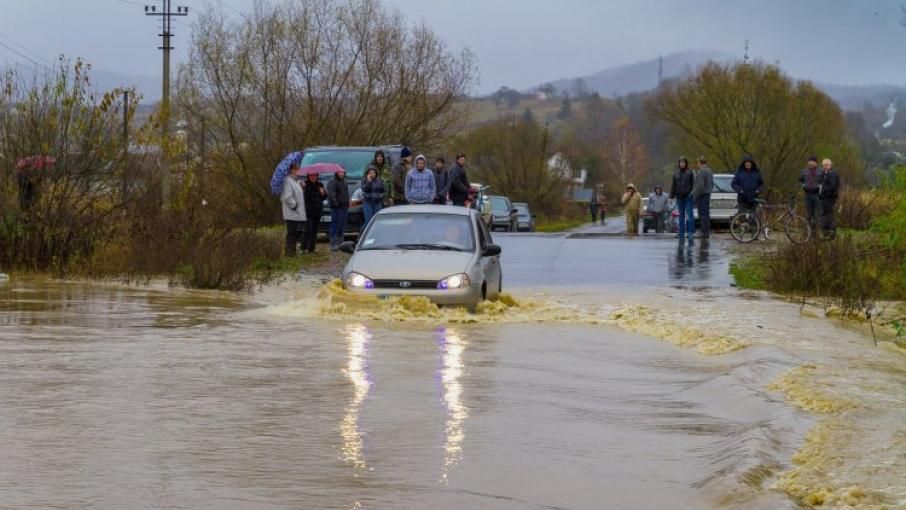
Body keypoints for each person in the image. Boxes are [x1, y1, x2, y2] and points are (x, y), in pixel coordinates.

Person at [280, 162, 307, 256]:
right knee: (291, 234)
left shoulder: (295, 181)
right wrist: (294, 205)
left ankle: (292, 253)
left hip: (297, 213)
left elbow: (298, 194)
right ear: (292, 170)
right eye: (296, 169)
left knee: (295, 234)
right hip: (291, 213)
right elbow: (287, 196)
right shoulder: (287, 181)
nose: (298, 171)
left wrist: (302, 187)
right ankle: (289, 253)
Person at [669, 157, 695, 238]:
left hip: (688, 196)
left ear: (686, 163)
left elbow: (694, 185)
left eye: (683, 162)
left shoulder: (690, 173)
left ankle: (690, 232)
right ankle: (681, 232)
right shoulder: (676, 174)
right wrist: (671, 196)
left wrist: (692, 193)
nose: (682, 163)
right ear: (679, 163)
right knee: (680, 215)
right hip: (679, 197)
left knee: (689, 214)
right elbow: (673, 186)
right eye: (680, 162)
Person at [301, 170, 326, 254]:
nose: (313, 177)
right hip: (308, 211)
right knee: (308, 229)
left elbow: (324, 197)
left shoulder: (320, 185)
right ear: (308, 176)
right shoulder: (305, 184)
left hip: (317, 211)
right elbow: (302, 196)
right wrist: (303, 188)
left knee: (315, 230)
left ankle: (312, 248)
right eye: (311, 175)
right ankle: (304, 248)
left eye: (315, 175)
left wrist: (323, 193)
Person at [326, 167, 350, 251]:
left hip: (345, 207)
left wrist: (347, 203)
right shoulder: (332, 181)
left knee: (342, 226)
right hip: (336, 208)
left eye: (343, 172)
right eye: (340, 172)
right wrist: (336, 204)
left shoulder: (344, 181)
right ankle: (334, 244)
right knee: (335, 225)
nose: (341, 173)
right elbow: (331, 194)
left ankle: (341, 243)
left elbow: (346, 194)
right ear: (336, 172)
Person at [819, 158, 840, 239]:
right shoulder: (824, 174)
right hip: (823, 197)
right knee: (824, 214)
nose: (824, 167)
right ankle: (826, 232)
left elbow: (833, 186)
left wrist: (824, 192)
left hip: (830, 197)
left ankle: (831, 233)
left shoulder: (833, 174)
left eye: (826, 165)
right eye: (823, 165)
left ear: (830, 165)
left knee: (829, 214)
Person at [693, 156, 714, 238]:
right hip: (708, 194)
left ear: (699, 162)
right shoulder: (710, 171)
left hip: (702, 195)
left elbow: (700, 186)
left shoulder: (701, 171)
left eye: (698, 163)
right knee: (707, 214)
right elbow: (712, 184)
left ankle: (704, 232)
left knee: (702, 215)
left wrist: (695, 196)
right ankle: (706, 232)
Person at [799, 156, 822, 229]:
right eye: (809, 161)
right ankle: (808, 230)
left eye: (812, 161)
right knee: (809, 213)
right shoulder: (803, 171)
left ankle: (816, 229)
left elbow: (824, 181)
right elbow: (800, 180)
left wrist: (820, 186)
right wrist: (803, 186)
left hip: (817, 194)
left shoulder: (821, 171)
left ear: (816, 163)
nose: (811, 163)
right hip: (807, 194)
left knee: (817, 213)